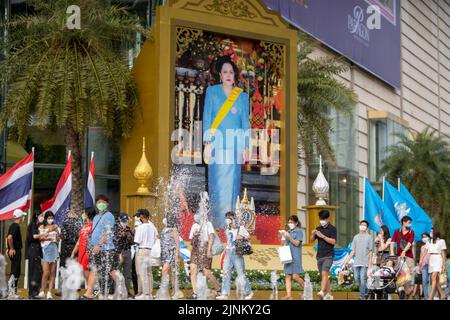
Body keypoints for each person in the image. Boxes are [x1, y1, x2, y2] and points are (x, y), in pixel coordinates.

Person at [203, 55, 250, 229]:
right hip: (216, 144)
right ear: (220, 75)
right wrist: (207, 143)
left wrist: (246, 146)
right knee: (217, 183)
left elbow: (245, 122)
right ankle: (216, 224)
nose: (228, 75)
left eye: (231, 72)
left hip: (235, 146)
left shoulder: (242, 96)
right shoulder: (212, 92)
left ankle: (230, 224)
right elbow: (207, 118)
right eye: (225, 72)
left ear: (235, 75)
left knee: (232, 184)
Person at [217, 211, 253, 300]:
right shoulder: (227, 229)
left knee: (241, 273)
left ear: (234, 219)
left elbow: (249, 237)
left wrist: (241, 237)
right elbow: (229, 241)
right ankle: (225, 294)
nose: (228, 220)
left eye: (230, 218)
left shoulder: (240, 228)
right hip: (228, 253)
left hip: (237, 253)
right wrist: (225, 250)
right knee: (225, 273)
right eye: (227, 218)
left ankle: (248, 292)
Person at [187, 213, 221, 299]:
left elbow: (212, 238)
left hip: (205, 248)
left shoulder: (208, 224)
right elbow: (191, 238)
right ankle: (195, 293)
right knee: (193, 270)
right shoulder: (194, 225)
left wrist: (209, 250)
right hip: (195, 249)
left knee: (207, 272)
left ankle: (219, 289)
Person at [91, 194, 118, 299]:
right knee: (100, 271)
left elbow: (108, 233)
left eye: (103, 202)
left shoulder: (109, 215)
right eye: (98, 202)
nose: (100, 204)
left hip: (107, 248)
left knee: (111, 270)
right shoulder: (96, 217)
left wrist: (99, 244)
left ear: (107, 204)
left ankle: (121, 289)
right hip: (97, 249)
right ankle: (102, 293)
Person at [310, 209, 337, 300]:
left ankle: (322, 291)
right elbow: (311, 240)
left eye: (323, 219)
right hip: (319, 256)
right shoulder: (318, 228)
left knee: (325, 272)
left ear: (328, 218)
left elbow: (333, 241)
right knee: (324, 275)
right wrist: (313, 234)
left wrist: (323, 236)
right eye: (320, 219)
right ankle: (329, 294)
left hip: (329, 255)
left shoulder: (332, 229)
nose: (321, 221)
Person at [343, 220, 372, 300]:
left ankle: (361, 297)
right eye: (361, 224)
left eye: (364, 225)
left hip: (365, 262)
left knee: (363, 279)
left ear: (366, 227)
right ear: (359, 225)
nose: (363, 226)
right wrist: (347, 260)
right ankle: (366, 291)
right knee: (356, 279)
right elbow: (353, 251)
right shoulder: (355, 237)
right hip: (357, 262)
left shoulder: (369, 237)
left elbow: (370, 251)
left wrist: (369, 263)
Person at [71, 207, 96, 299]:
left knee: (89, 271)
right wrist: (74, 252)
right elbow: (79, 241)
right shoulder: (84, 226)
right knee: (84, 272)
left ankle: (89, 292)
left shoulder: (95, 225)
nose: (83, 214)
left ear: (87, 214)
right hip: (81, 252)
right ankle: (91, 290)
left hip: (88, 252)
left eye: (84, 213)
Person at [134, 208, 158, 299]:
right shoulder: (153, 226)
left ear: (141, 216)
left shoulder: (140, 228)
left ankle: (145, 294)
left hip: (142, 250)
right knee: (148, 273)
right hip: (150, 251)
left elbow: (137, 241)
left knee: (141, 272)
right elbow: (156, 237)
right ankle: (150, 293)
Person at [157, 214, 182, 300]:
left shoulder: (173, 230)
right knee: (170, 274)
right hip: (164, 254)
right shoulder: (164, 229)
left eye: (166, 219)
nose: (164, 220)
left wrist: (177, 255)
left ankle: (164, 292)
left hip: (171, 253)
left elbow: (177, 243)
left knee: (165, 271)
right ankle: (174, 291)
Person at [390, 216, 415, 299]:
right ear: (403, 222)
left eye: (410, 223)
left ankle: (408, 293)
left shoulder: (411, 232)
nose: (410, 224)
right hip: (399, 257)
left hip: (408, 257)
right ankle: (401, 291)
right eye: (408, 222)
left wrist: (404, 251)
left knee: (408, 277)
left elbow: (409, 243)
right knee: (400, 275)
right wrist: (393, 253)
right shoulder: (397, 232)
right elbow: (392, 242)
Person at [38, 211, 60, 299]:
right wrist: (49, 235)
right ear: (46, 218)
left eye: (52, 218)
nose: (51, 219)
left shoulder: (56, 227)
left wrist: (57, 235)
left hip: (53, 249)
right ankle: (42, 290)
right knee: (46, 272)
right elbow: (40, 238)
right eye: (49, 218)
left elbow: (58, 239)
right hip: (45, 250)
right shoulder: (42, 226)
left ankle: (49, 292)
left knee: (52, 272)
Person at [280, 215, 304, 300]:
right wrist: (283, 237)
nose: (290, 224)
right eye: (289, 222)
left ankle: (306, 287)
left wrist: (289, 237)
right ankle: (288, 295)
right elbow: (284, 244)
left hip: (296, 256)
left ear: (296, 223)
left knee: (295, 276)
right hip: (288, 256)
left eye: (292, 222)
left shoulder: (299, 231)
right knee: (287, 276)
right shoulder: (288, 231)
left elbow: (297, 243)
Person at [25, 210, 45, 299]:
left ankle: (34, 293)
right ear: (37, 215)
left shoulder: (35, 225)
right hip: (33, 250)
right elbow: (34, 236)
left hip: (35, 250)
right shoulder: (33, 224)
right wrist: (44, 234)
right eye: (41, 215)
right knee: (34, 272)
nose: (42, 217)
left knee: (37, 271)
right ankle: (32, 294)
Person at [6, 209, 26, 298]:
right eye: (22, 216)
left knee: (15, 271)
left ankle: (12, 292)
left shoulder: (12, 226)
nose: (23, 218)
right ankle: (11, 293)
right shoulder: (15, 226)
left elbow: (7, 238)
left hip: (14, 250)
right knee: (15, 271)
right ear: (20, 217)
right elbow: (10, 237)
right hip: (16, 251)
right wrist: (12, 248)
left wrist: (8, 248)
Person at [115, 213, 134, 297]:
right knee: (117, 273)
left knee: (127, 274)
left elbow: (133, 242)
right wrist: (121, 235)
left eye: (126, 221)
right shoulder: (115, 228)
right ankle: (117, 291)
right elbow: (114, 241)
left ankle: (127, 291)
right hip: (118, 252)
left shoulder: (128, 229)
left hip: (127, 251)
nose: (125, 222)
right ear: (119, 220)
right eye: (123, 221)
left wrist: (130, 236)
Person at [424, 230, 446, 300]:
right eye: (430, 231)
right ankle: (442, 295)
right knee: (435, 280)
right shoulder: (428, 241)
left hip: (438, 259)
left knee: (433, 277)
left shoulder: (441, 241)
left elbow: (443, 253)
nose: (430, 233)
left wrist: (444, 265)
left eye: (431, 231)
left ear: (435, 233)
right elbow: (425, 251)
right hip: (431, 259)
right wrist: (421, 260)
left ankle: (430, 297)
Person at [418, 232, 431, 299]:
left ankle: (430, 296)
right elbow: (421, 256)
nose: (424, 238)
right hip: (423, 265)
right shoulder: (422, 247)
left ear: (428, 237)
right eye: (423, 237)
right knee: (424, 281)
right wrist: (420, 265)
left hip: (431, 265)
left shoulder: (431, 245)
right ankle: (426, 296)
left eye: (425, 236)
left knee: (430, 281)